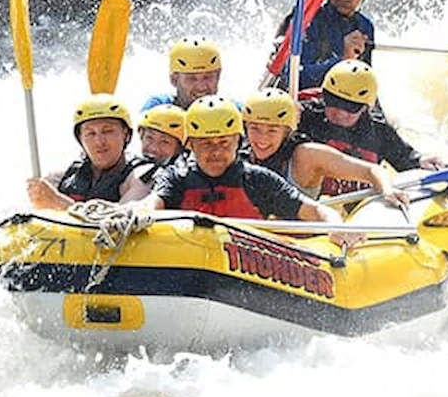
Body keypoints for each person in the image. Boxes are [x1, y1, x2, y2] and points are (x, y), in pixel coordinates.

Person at [141, 97, 358, 245]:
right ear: (190, 145)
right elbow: (152, 203)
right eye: (206, 144)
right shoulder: (177, 178)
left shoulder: (257, 179)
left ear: (238, 141)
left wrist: (335, 225)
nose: (216, 152)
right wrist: (138, 213)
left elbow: (317, 211)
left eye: (224, 143)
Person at [298, 60, 447, 195]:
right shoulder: (307, 117)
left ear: (365, 108)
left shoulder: (378, 130)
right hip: (314, 199)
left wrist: (420, 160)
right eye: (333, 101)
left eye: (350, 107)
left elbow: (405, 158)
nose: (340, 113)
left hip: (357, 203)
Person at [241, 89, 410, 208]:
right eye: (255, 128)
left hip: (300, 239)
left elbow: (371, 170)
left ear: (287, 132)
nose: (262, 139)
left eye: (272, 130)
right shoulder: (238, 152)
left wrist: (387, 190)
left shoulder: (307, 155)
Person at [26, 96, 152, 210]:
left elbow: (123, 218)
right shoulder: (62, 177)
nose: (99, 142)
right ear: (80, 139)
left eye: (107, 131)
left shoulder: (141, 175)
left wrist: (59, 202)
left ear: (126, 135)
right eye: (90, 133)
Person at [297, 0, 377, 89]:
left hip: (342, 98)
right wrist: (344, 61)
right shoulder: (306, 19)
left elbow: (363, 81)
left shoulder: (365, 26)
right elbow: (294, 78)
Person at [141, 37, 223, 111]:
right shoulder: (159, 106)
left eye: (208, 77)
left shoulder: (229, 111)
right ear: (174, 80)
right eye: (192, 78)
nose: (201, 86)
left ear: (218, 76)